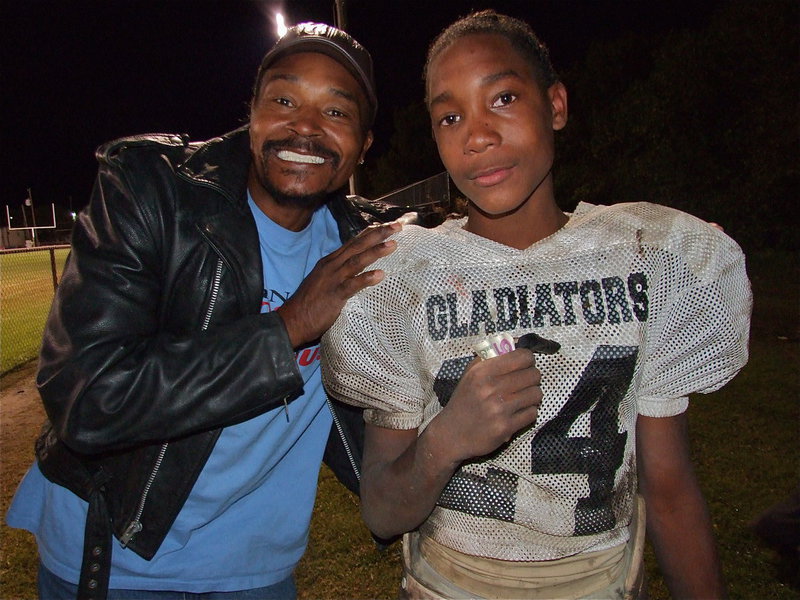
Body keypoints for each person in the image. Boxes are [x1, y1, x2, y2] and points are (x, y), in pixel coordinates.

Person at [321, 10, 751, 599]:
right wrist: (446, 440)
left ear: (555, 105)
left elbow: (670, 490)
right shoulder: (401, 279)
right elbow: (382, 512)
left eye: (502, 98)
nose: (477, 135)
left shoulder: (647, 256)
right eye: (451, 116)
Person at [6, 22, 401, 600]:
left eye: (336, 111)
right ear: (252, 114)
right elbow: (88, 398)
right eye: (284, 100)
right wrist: (288, 326)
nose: (305, 126)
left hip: (256, 568)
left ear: (363, 145)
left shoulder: (366, 248)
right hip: (119, 558)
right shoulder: (151, 190)